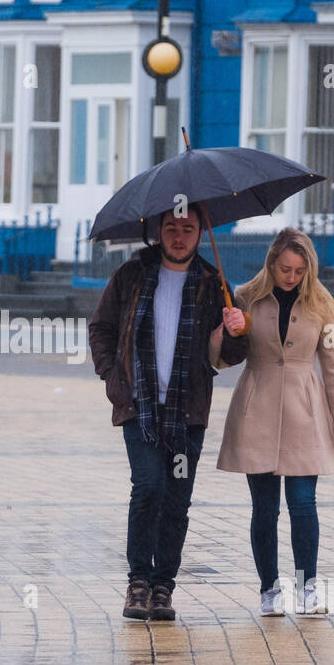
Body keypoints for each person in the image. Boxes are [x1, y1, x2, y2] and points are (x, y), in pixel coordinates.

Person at [89, 205, 249, 621]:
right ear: (157, 231)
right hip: (139, 408)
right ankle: (138, 582)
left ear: (200, 233)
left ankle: (163, 588)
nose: (179, 237)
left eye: (188, 229)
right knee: (148, 488)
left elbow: (228, 357)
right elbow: (100, 328)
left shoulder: (214, 284)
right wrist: (112, 378)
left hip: (187, 414)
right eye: (172, 228)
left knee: (176, 499)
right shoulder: (131, 275)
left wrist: (237, 331)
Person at [215, 227, 334, 617]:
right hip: (255, 410)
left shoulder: (321, 305)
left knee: (303, 503)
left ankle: (308, 586)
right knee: (264, 509)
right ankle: (269, 589)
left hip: (304, 414)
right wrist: (229, 333)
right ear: (271, 263)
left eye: (298, 270)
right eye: (284, 269)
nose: (290, 277)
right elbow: (222, 360)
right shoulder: (244, 298)